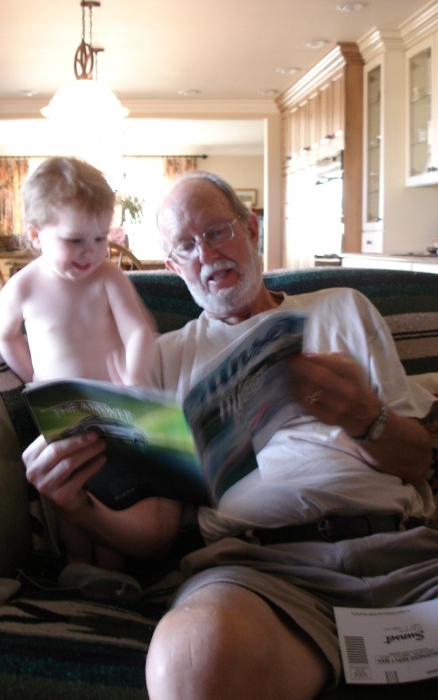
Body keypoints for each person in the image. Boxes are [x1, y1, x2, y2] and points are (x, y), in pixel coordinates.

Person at [22, 171, 438, 700]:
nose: (207, 254)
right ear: (173, 267)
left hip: (408, 553)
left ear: (252, 228)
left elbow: (418, 461)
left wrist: (366, 419)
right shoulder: (164, 357)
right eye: (187, 246)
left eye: (218, 231)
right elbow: (156, 531)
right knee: (191, 661)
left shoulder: (345, 308)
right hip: (260, 577)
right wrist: (78, 508)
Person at [0, 156, 155, 572]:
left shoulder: (109, 278)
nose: (92, 253)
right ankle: (79, 566)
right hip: (60, 408)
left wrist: (133, 382)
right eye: (75, 240)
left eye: (101, 239)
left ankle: (112, 573)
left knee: (110, 490)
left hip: (110, 403)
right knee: (66, 488)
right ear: (36, 235)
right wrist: (32, 375)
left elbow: (138, 330)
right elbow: (5, 335)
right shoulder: (23, 285)